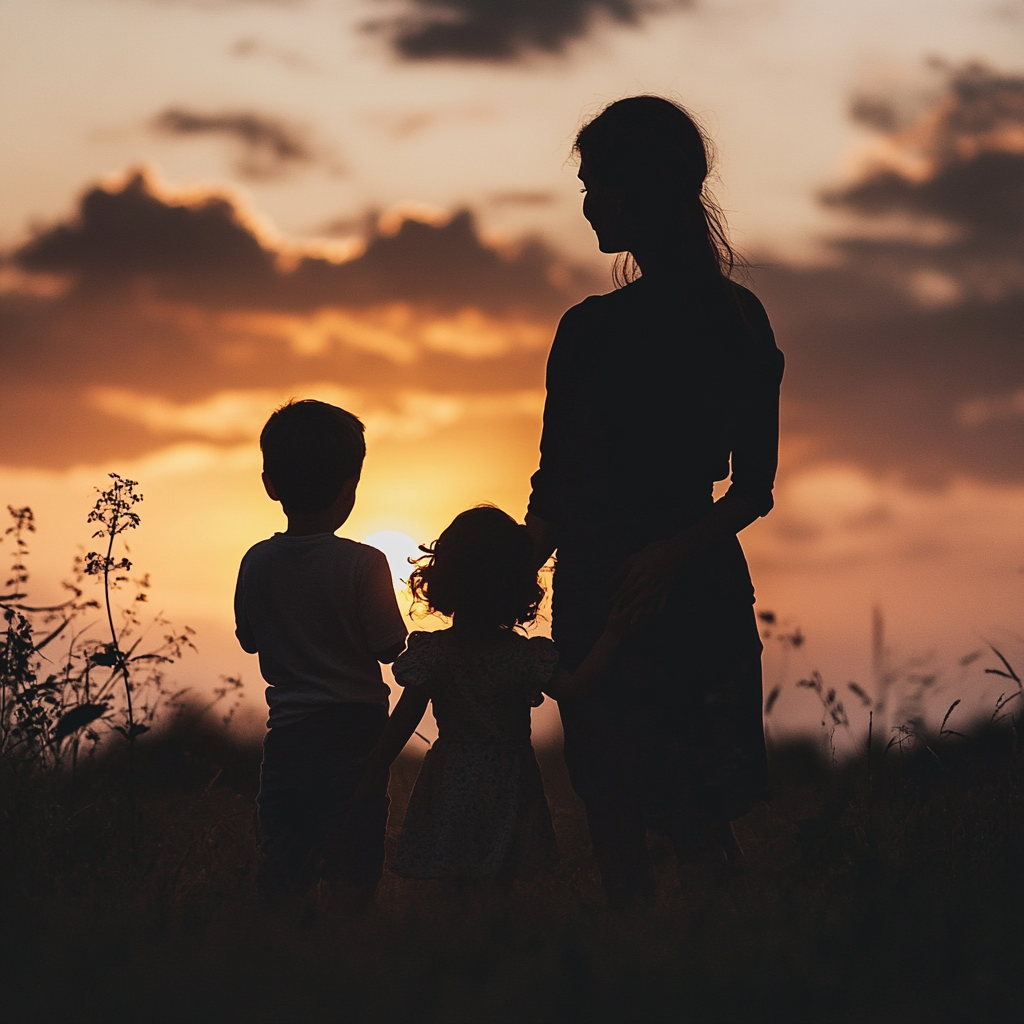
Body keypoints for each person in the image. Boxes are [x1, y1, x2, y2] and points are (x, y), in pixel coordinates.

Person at [526, 96, 785, 908]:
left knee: (635, 819)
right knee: (682, 820)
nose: (586, 202)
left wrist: (658, 556)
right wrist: (484, 584)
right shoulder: (732, 317)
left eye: (594, 183)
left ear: (635, 189)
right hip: (686, 579)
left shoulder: (603, 329)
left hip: (623, 585)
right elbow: (747, 494)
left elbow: (559, 489)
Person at [355, 506, 628, 891]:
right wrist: (614, 633)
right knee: (501, 886)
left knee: (455, 887)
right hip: (509, 778)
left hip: (451, 777)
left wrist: (373, 768)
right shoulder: (523, 655)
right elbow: (577, 688)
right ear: (517, 585)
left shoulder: (433, 654)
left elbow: (403, 720)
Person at [234, 399, 408, 909]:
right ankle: (347, 952)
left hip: (287, 734)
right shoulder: (365, 563)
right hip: (356, 733)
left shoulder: (256, 562)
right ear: (349, 486)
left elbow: (250, 638)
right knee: (353, 855)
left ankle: (286, 955)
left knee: (285, 853)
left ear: (270, 484)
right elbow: (388, 646)